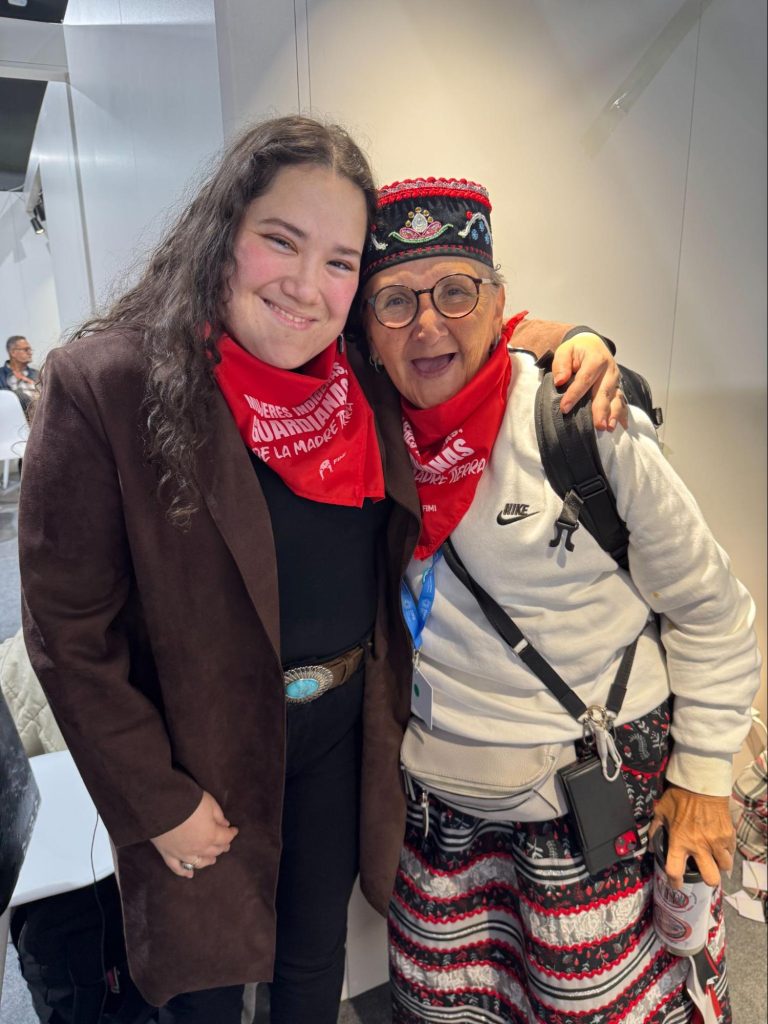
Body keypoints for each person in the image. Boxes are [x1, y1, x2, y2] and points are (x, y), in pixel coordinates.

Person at [18, 118, 620, 1024]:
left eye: (342, 261)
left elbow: (461, 330)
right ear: (224, 232)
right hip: (200, 752)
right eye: (281, 241)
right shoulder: (110, 384)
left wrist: (580, 337)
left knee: (314, 961)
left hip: (343, 733)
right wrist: (154, 800)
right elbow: (66, 633)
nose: (308, 287)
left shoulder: (356, 377)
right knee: (207, 983)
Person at [357, 176, 762, 1024]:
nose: (427, 323)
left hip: (593, 803)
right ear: (367, 327)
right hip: (444, 819)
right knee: (454, 1007)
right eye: (395, 301)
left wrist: (704, 775)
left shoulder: (578, 417)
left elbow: (713, 610)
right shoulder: (363, 436)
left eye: (455, 292)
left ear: (498, 300)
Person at [1, 335, 39, 415]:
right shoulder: (1, 375)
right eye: (26, 349)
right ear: (13, 352)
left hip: (39, 417)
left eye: (30, 349)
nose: (30, 353)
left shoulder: (37, 374)